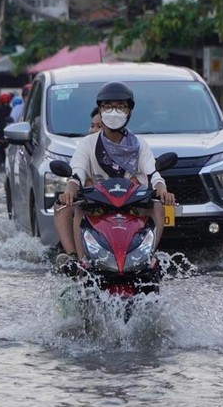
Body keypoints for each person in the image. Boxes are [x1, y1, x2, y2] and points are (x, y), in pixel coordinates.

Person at [53, 81, 175, 270]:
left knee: (157, 207)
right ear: (100, 110)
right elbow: (76, 171)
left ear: (129, 112)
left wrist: (161, 188)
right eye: (108, 107)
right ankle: (78, 260)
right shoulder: (88, 143)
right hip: (96, 203)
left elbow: (153, 172)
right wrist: (70, 189)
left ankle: (147, 257)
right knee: (74, 208)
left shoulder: (139, 145)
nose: (114, 112)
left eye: (120, 107)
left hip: (131, 203)